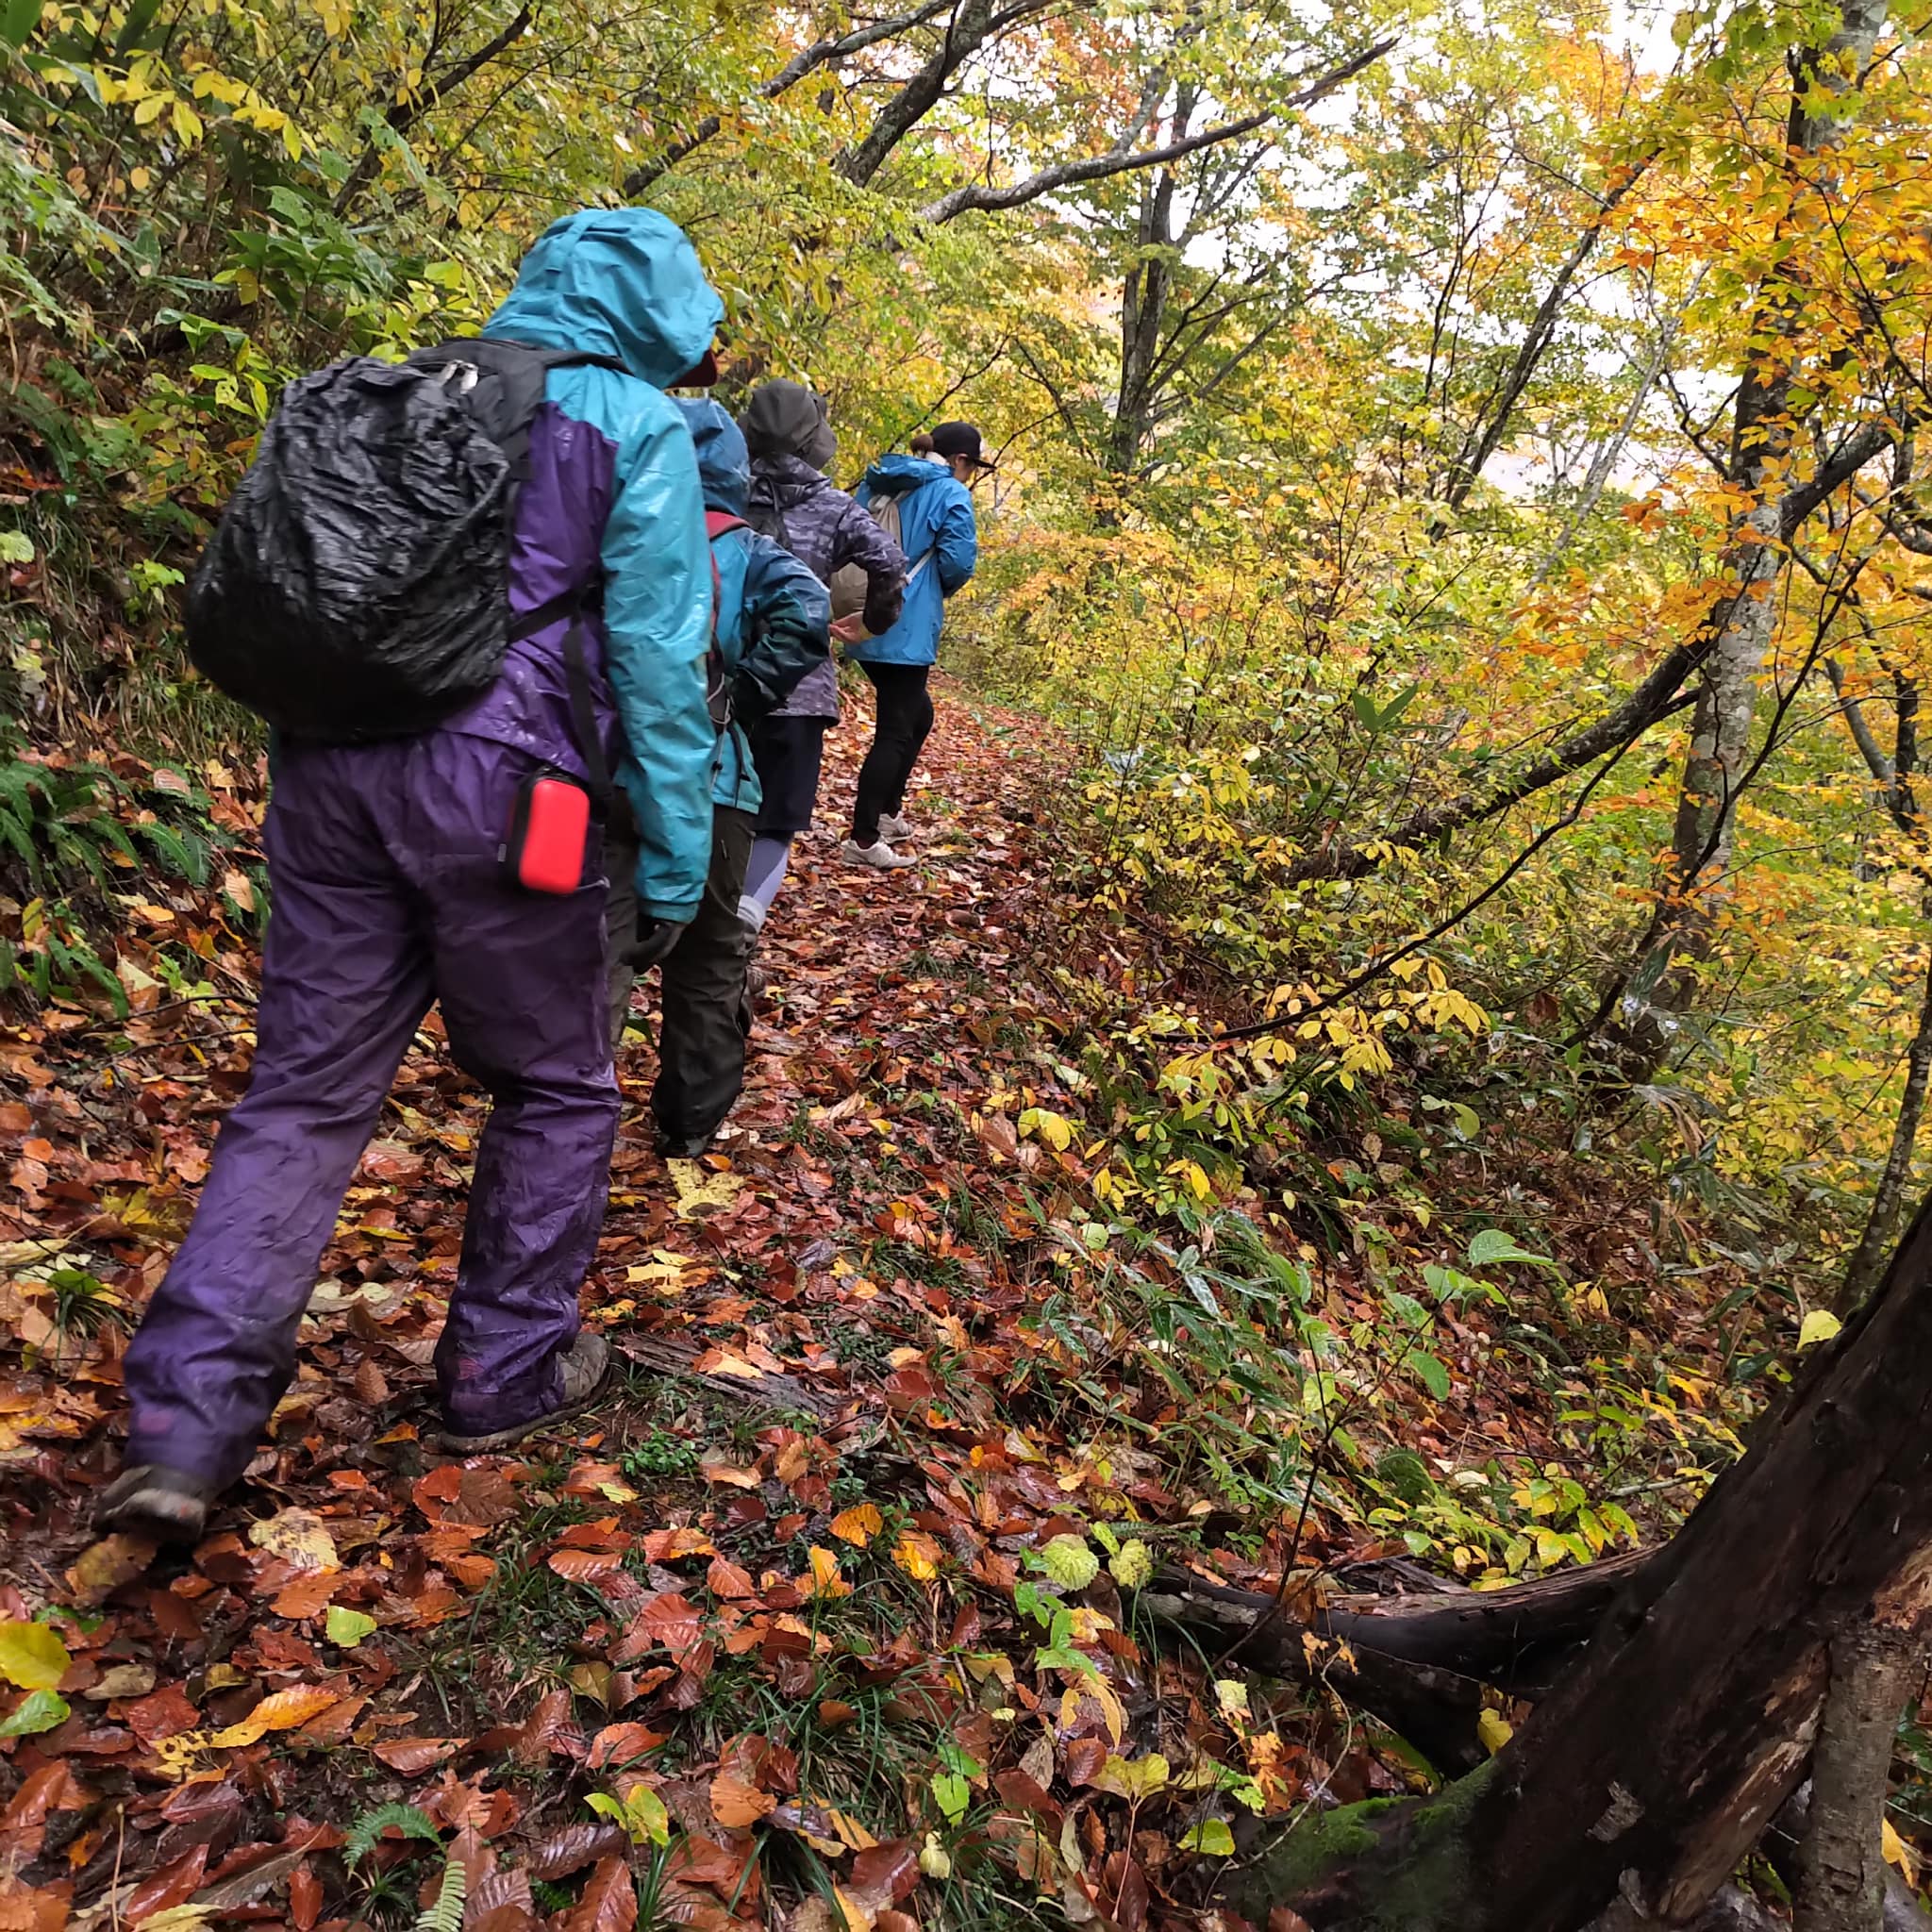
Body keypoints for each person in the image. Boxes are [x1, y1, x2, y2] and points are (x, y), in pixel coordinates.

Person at [100, 208, 725, 1543]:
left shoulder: (405, 386)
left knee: (305, 1097)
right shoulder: (631, 425)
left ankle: (181, 1429)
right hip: (517, 800)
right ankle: (501, 1374)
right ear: (662, 309)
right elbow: (661, 668)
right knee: (557, 1084)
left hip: (328, 776)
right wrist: (673, 863)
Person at [606, 399, 829, 1154]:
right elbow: (809, 607)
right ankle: (688, 1125)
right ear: (735, 474)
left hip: (598, 780)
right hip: (714, 783)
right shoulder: (746, 552)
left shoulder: (613, 535)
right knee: (706, 958)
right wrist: (742, 696)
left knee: (593, 949)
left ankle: (565, 1111)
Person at [736, 378, 906, 937]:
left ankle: (705, 917)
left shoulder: (719, 490)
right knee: (776, 820)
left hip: (714, 681)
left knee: (715, 802)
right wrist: (874, 622)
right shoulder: (833, 508)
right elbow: (890, 560)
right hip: (798, 688)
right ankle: (745, 920)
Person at [841, 421, 986, 870]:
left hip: (863, 613)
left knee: (918, 713)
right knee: (895, 729)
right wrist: (932, 589)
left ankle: (886, 812)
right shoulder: (950, 494)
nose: (970, 476)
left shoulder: (880, 479)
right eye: (972, 466)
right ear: (959, 460)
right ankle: (864, 838)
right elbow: (958, 564)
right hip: (906, 620)